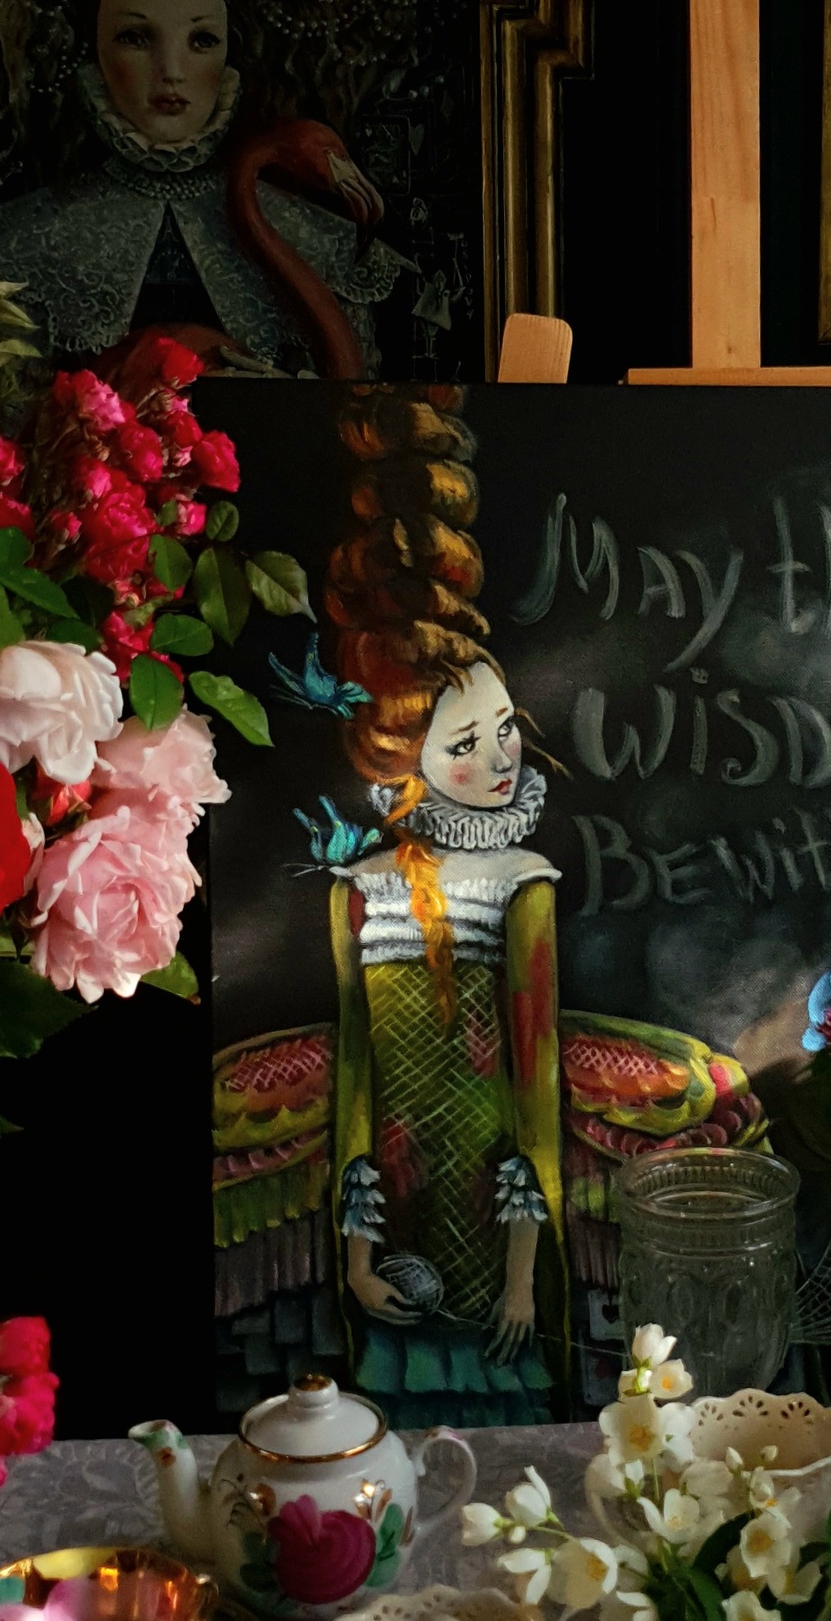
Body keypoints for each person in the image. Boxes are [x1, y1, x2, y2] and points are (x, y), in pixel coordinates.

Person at [326, 388, 566, 1426]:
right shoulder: (359, 889)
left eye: (504, 728)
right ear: (405, 763)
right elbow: (355, 1079)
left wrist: (522, 1279)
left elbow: (534, 1091)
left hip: (491, 1221)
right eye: (466, 744)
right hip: (398, 1229)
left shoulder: (523, 881)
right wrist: (355, 1259)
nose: (500, 758)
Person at [0, 0, 407, 372]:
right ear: (92, 44)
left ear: (232, 46)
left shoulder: (316, 240)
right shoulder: (23, 238)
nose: (171, 72)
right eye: (135, 37)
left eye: (201, 41)